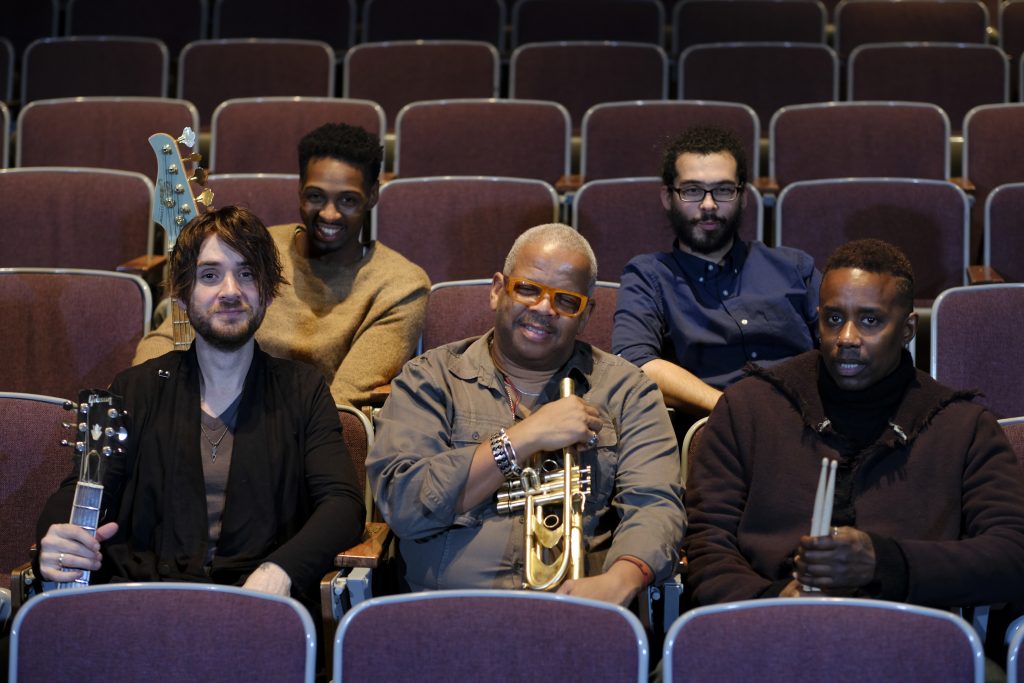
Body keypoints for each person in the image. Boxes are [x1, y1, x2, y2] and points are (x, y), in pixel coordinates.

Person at [36, 206, 366, 610]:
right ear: (181, 292)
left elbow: (342, 505)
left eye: (247, 273)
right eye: (210, 275)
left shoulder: (303, 390)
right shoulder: (134, 388)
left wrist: (280, 570)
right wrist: (55, 537)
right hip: (143, 606)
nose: (231, 290)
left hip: (257, 609)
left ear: (267, 289)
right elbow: (82, 487)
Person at [684, 239, 1024, 610]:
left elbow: (1012, 554)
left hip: (908, 635)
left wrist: (885, 561)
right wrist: (772, 600)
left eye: (870, 320)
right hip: (763, 627)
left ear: (908, 329)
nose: (846, 338)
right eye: (833, 319)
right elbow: (706, 544)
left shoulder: (962, 427)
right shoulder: (750, 407)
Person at [366, 224, 684, 607]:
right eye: (528, 289)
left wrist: (622, 578)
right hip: (446, 613)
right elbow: (403, 502)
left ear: (585, 315)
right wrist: (522, 439)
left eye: (566, 300)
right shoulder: (430, 379)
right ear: (497, 290)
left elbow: (656, 505)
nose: (544, 308)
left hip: (580, 614)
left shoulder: (628, 390)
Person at [134, 123, 430, 407]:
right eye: (316, 196)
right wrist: (153, 398)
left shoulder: (401, 286)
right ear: (300, 190)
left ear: (373, 195)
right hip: (210, 409)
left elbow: (344, 397)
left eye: (348, 200)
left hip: (308, 426)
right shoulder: (251, 250)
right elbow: (168, 337)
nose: (329, 214)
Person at [613, 125, 820, 416]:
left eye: (723, 190)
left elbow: (843, 343)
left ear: (743, 197)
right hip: (715, 426)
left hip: (808, 418)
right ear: (667, 198)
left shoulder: (795, 267)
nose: (708, 205)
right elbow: (635, 363)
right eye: (692, 190)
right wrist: (732, 409)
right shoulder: (649, 275)